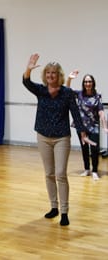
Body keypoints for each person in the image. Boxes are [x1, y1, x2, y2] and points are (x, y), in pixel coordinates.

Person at [22, 53, 96, 226]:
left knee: (61, 174)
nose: (50, 76)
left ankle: (64, 211)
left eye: (53, 73)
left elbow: (76, 114)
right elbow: (26, 82)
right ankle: (53, 207)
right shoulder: (40, 90)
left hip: (62, 137)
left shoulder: (67, 93)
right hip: (43, 136)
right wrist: (28, 68)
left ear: (59, 75)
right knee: (49, 173)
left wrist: (82, 132)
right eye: (48, 73)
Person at [66, 70, 108, 180]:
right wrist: (69, 79)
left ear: (93, 83)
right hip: (81, 126)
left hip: (93, 126)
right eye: (85, 81)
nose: (87, 83)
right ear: (83, 83)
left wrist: (105, 126)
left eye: (89, 81)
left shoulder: (97, 96)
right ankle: (87, 169)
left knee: (95, 148)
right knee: (84, 148)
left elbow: (101, 112)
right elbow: (67, 90)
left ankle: (94, 171)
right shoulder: (79, 94)